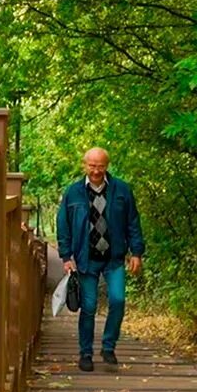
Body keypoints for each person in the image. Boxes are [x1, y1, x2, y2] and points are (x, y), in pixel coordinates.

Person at [56, 146, 145, 371]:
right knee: (89, 306)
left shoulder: (122, 190)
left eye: (101, 166)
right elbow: (63, 225)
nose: (96, 171)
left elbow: (133, 222)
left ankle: (108, 347)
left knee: (118, 301)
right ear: (85, 165)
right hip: (86, 259)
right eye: (92, 166)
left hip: (114, 257)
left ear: (107, 166)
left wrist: (136, 252)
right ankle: (85, 353)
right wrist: (66, 256)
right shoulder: (73, 192)